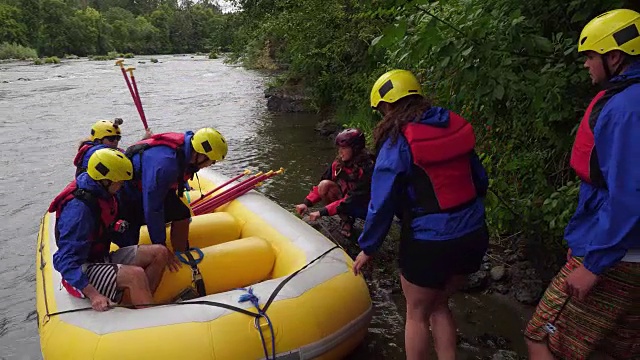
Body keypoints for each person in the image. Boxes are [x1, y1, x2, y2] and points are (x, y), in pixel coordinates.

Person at [524, 9, 640, 360]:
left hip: (617, 253)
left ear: (615, 57)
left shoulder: (626, 109)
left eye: (591, 56)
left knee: (540, 338)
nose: (587, 65)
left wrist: (593, 264)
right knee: (612, 349)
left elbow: (631, 194)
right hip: (625, 252)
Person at [352, 69, 489, 360]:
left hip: (429, 241)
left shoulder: (397, 140)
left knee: (416, 313)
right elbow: (479, 180)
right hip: (473, 235)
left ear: (388, 106)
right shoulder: (450, 123)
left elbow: (383, 200)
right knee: (440, 305)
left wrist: (368, 247)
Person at [50, 148, 170, 311]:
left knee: (160, 253)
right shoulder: (79, 210)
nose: (121, 186)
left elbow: (104, 226)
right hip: (81, 270)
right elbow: (63, 260)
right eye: (119, 182)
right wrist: (94, 295)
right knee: (135, 275)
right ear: (105, 180)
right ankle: (149, 321)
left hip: (100, 257)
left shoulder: (103, 193)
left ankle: (139, 303)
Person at [119, 127, 228, 257]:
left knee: (182, 214)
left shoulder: (186, 153)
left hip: (150, 186)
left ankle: (182, 254)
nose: (212, 164)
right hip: (126, 193)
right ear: (200, 155)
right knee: (130, 236)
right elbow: (153, 208)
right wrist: (160, 246)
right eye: (212, 160)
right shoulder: (165, 165)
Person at [294, 128, 375, 237]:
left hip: (363, 206)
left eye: (344, 148)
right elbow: (321, 185)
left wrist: (321, 212)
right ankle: (346, 219)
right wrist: (306, 203)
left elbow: (353, 199)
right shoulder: (338, 164)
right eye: (339, 148)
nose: (340, 152)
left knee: (354, 204)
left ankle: (352, 222)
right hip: (347, 201)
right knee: (324, 185)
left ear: (356, 148)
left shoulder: (367, 169)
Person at [74, 118, 152, 177]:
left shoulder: (91, 148)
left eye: (117, 138)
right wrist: (143, 141)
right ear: (98, 140)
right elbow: (123, 158)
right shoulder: (95, 152)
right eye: (111, 138)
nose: (115, 141)